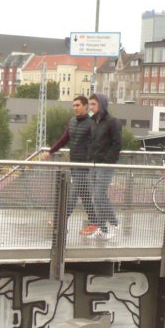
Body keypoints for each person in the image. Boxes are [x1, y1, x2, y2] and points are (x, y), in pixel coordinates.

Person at [42, 94, 93, 232]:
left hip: (85, 165)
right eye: (73, 105)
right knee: (84, 193)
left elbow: (99, 143)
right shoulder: (72, 122)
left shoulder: (92, 123)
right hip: (74, 163)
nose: (75, 108)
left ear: (86, 106)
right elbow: (64, 139)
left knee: (73, 193)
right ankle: (95, 222)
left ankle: (59, 221)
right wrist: (50, 151)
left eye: (78, 105)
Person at [86, 93, 123, 240]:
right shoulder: (93, 121)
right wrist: (90, 157)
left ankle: (114, 223)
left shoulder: (113, 122)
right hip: (94, 163)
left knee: (100, 194)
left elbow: (117, 144)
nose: (91, 107)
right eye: (90, 104)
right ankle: (103, 228)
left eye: (94, 104)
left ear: (101, 104)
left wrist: (107, 160)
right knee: (97, 196)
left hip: (105, 164)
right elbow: (91, 141)